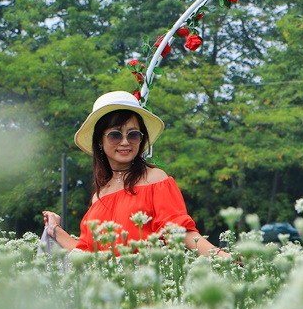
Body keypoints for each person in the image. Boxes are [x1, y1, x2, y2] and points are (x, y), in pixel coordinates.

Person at [41, 91, 230, 258]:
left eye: (133, 135)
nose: (125, 142)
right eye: (115, 135)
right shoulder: (99, 195)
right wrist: (54, 230)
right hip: (105, 292)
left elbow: (181, 231)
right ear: (100, 140)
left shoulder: (156, 179)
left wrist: (221, 256)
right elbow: (86, 254)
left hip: (145, 288)